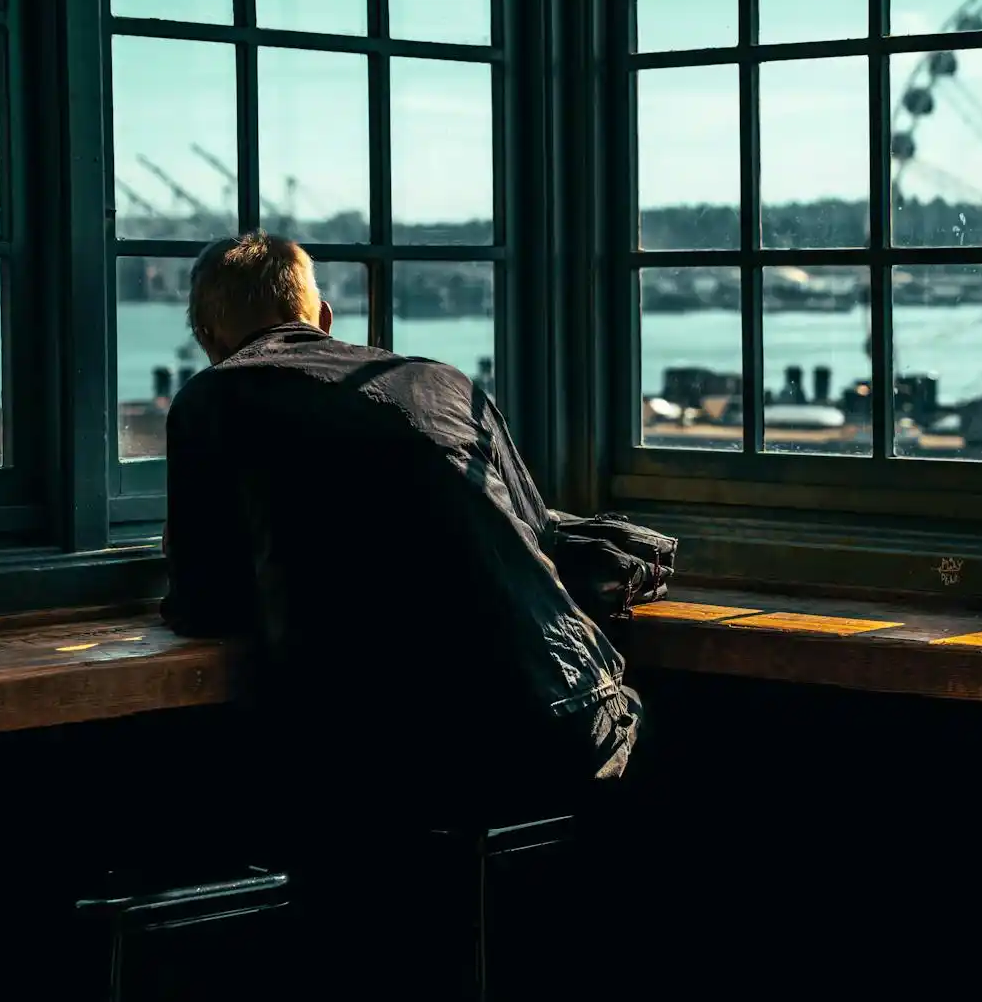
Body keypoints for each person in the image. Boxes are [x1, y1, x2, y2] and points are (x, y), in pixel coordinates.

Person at [158, 232, 642, 828]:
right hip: (570, 715)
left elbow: (202, 603)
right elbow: (537, 536)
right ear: (325, 318)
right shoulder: (439, 381)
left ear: (207, 338)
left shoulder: (209, 402)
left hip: (391, 759)